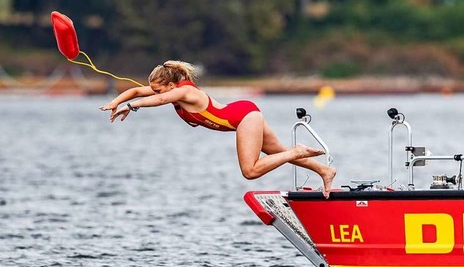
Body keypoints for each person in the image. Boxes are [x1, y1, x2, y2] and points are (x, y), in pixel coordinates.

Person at [100, 61, 336, 197]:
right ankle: (324, 171)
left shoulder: (185, 91)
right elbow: (136, 91)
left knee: (250, 171)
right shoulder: (170, 91)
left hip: (243, 117)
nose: (155, 93)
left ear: (171, 85)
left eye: (159, 89)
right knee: (275, 152)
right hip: (244, 114)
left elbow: (158, 100)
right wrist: (116, 102)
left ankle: (297, 151)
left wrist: (131, 106)